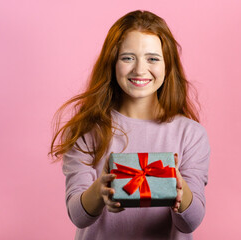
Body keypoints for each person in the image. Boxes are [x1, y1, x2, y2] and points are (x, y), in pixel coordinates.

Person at [50, 10, 211, 240]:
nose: (139, 70)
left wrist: (178, 187)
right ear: (112, 63)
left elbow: (191, 222)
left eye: (152, 58)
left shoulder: (191, 134)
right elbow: (78, 215)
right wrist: (100, 190)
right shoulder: (87, 131)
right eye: (128, 57)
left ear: (168, 66)